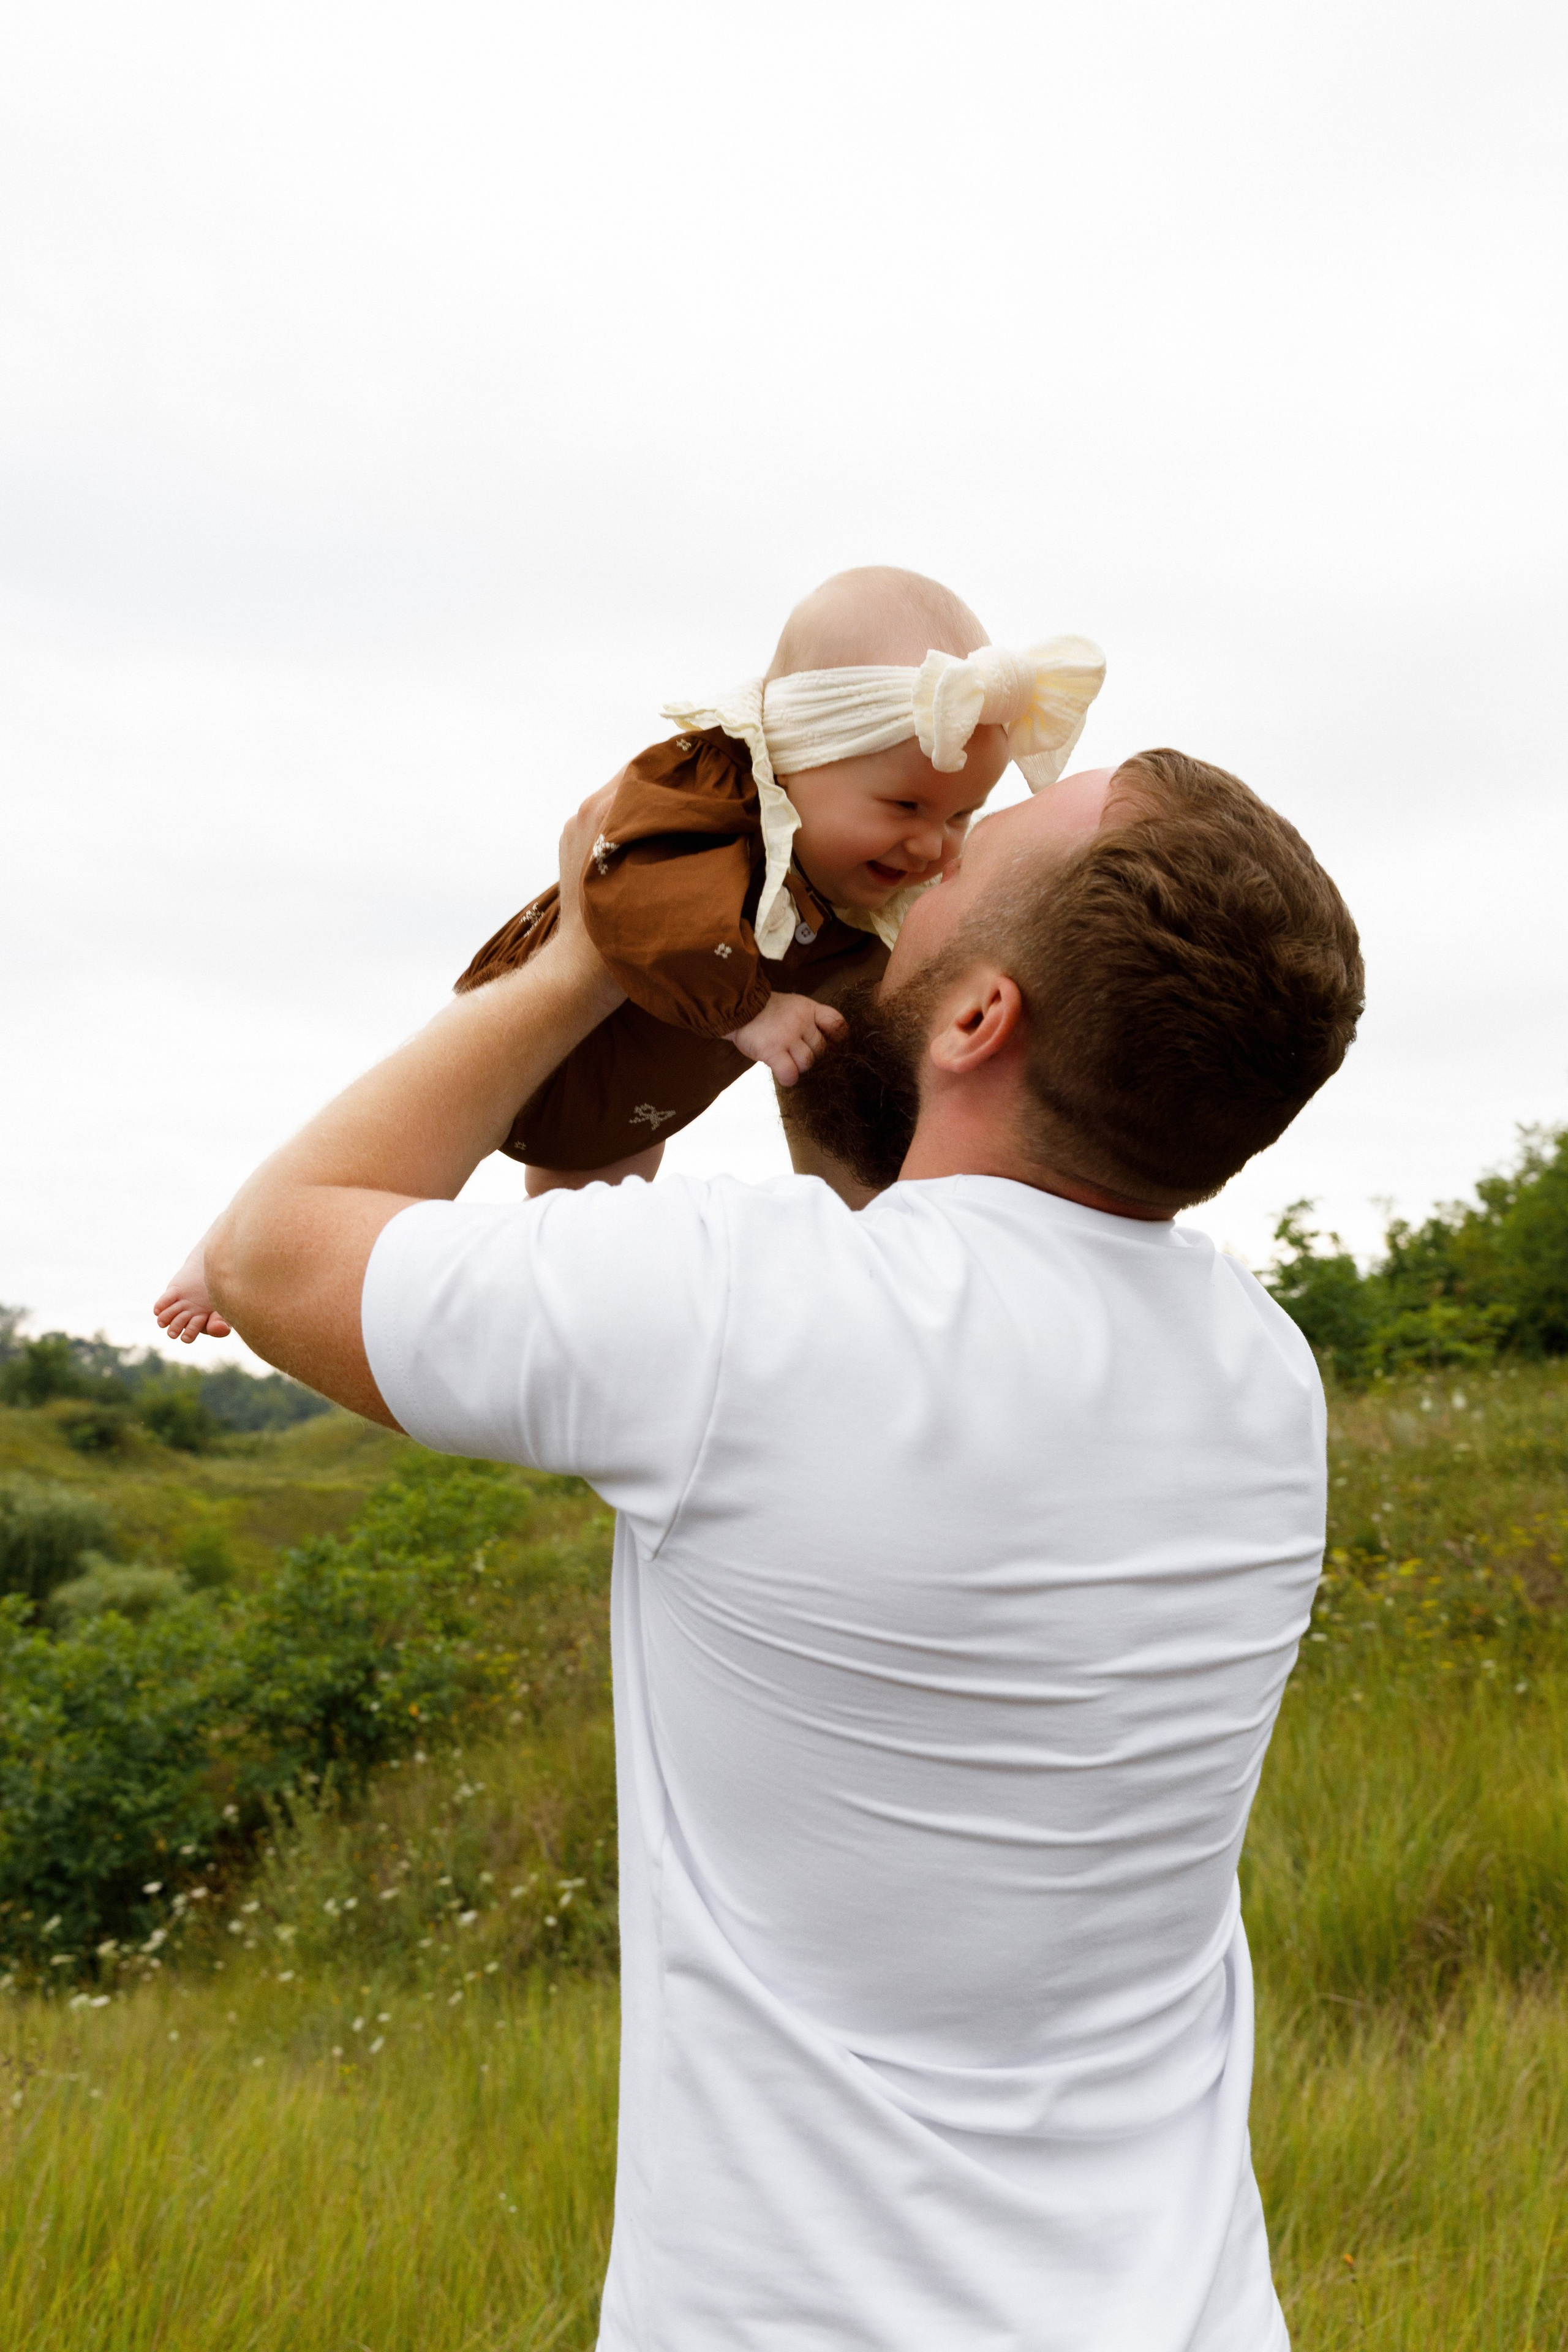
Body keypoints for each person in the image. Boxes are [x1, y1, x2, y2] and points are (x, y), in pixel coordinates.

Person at [196, 741, 1363, 2351]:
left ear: (979, 1020)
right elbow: (909, 1215)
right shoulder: (1262, 1376)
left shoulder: (749, 1311)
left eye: (955, 860)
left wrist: (589, 948)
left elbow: (273, 1250)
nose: (914, 854)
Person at [153, 565, 1102, 1340]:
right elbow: (635, 896)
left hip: (645, 1100)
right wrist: (752, 1012)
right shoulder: (709, 791)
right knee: (393, 1154)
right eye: (906, 808)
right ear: (795, 757)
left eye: (961, 816)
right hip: (546, 1049)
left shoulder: (862, 892)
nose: (935, 845)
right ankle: (227, 1246)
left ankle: (550, 1333)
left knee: (584, 1246)